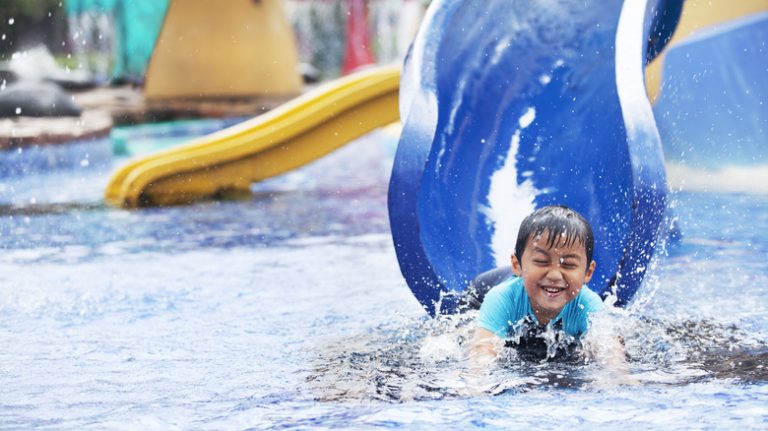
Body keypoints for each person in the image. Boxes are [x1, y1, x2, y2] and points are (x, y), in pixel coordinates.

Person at [470, 205, 623, 365]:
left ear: (588, 272)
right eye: (541, 261)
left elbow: (611, 355)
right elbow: (482, 353)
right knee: (466, 334)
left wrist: (614, 377)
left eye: (569, 264)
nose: (554, 275)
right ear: (517, 265)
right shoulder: (502, 299)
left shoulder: (587, 306)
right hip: (482, 292)